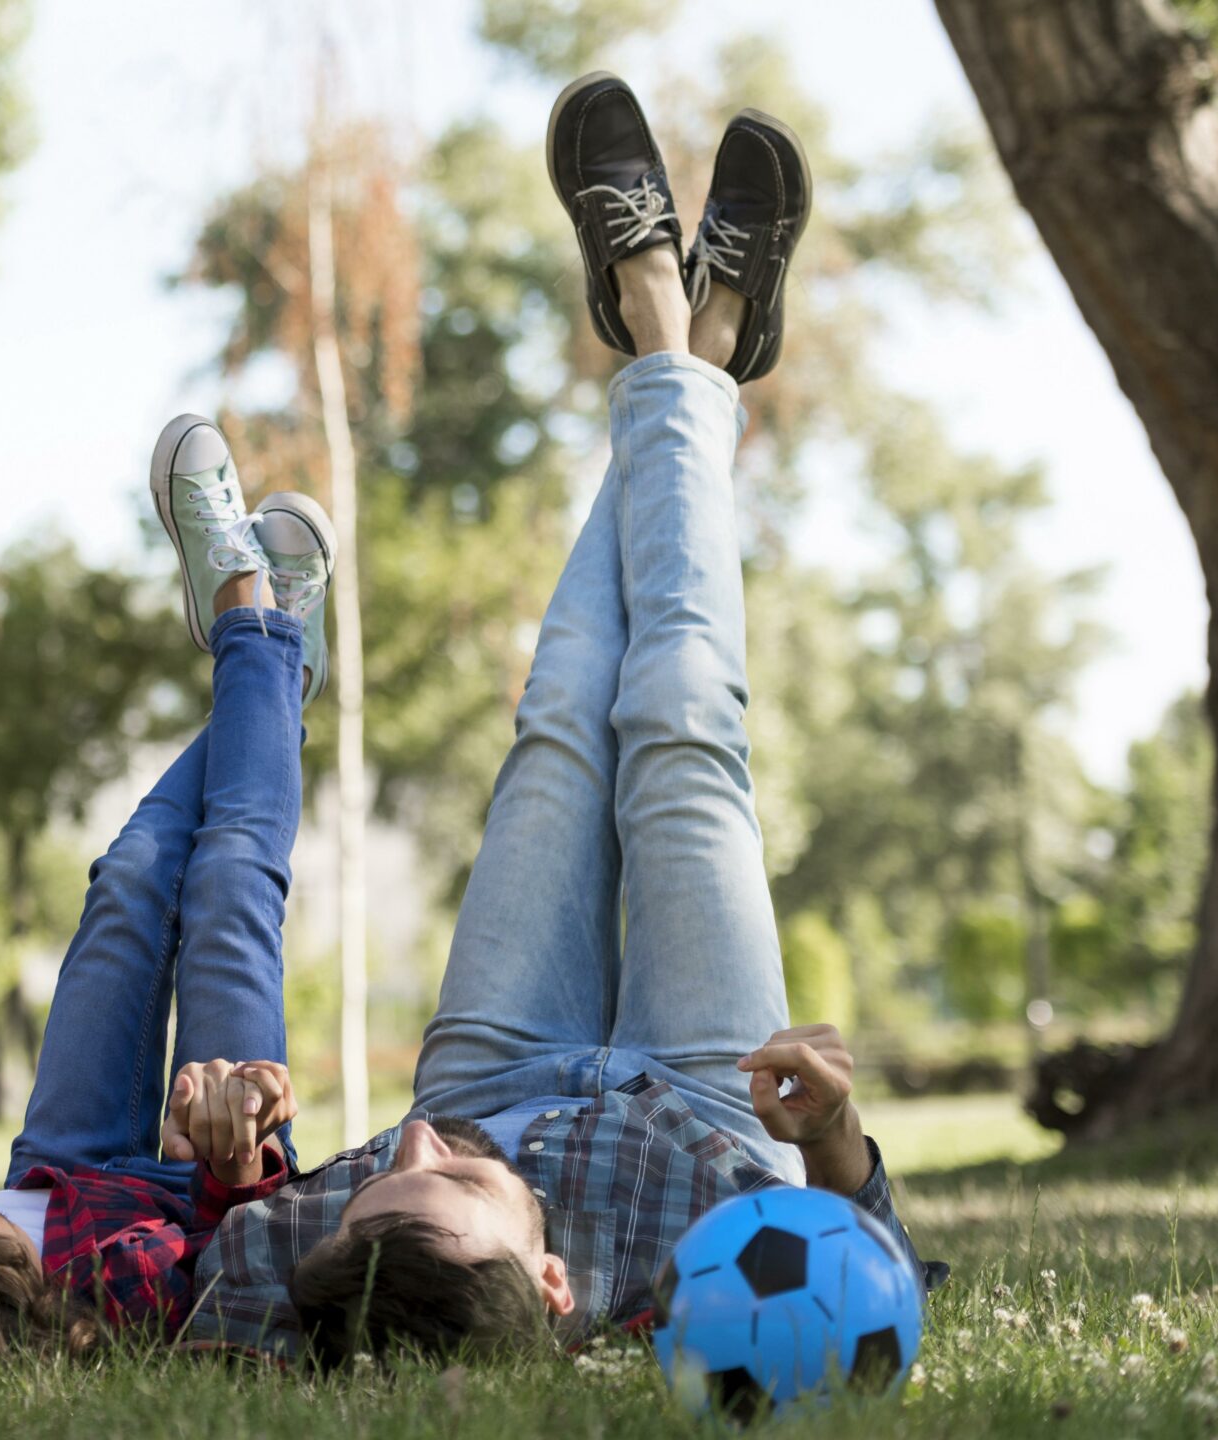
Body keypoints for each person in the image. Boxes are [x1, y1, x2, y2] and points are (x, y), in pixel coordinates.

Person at [186, 74, 936, 1367]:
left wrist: (231, 1148)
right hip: (716, 1090)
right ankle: (678, 335)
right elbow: (876, 1290)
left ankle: (679, 343)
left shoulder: (313, 1271)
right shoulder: (702, 1262)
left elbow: (219, 1291)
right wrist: (826, 1140)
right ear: (550, 1282)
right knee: (682, 717)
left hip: (492, 1063)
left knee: (563, 713)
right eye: (453, 1185)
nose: (411, 1146)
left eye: (377, 1180)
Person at [0, 415, 340, 1362]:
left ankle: (274, 651)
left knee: (126, 879)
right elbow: (236, 1266)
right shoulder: (112, 1303)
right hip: (205, 1150)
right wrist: (238, 1155)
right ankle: (255, 617)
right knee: (231, 879)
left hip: (63, 1154)